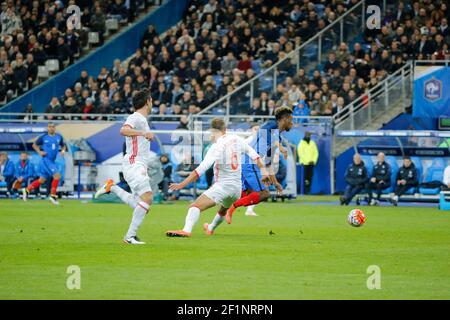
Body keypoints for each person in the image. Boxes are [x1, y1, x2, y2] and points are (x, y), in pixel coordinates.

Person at [165, 118, 269, 237]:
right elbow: (255, 156)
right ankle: (210, 228)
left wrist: (181, 184)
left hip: (223, 186)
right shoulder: (237, 139)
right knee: (223, 210)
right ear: (225, 129)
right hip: (236, 189)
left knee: (194, 206)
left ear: (212, 131)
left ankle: (186, 230)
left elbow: (201, 169)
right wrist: (264, 172)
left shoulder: (216, 147)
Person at [95, 89, 154, 245]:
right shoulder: (136, 117)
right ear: (147, 101)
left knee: (139, 204)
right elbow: (123, 130)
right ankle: (129, 237)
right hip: (134, 164)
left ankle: (112, 187)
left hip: (136, 164)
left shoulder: (142, 119)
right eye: (151, 100)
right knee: (147, 198)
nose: (152, 102)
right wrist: (143, 133)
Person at [226, 106, 293, 224]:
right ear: (284, 119)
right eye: (291, 120)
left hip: (249, 163)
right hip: (250, 162)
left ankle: (212, 224)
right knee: (264, 194)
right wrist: (280, 146)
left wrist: (275, 181)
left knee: (244, 195)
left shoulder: (277, 136)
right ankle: (231, 208)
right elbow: (264, 131)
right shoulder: (271, 125)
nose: (292, 123)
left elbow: (268, 162)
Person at [22, 123, 66, 204]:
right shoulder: (44, 137)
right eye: (50, 127)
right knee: (57, 175)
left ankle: (27, 189)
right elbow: (34, 145)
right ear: (47, 128)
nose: (51, 128)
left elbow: (63, 145)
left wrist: (63, 151)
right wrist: (39, 152)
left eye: (53, 127)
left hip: (52, 161)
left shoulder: (59, 137)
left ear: (55, 128)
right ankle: (53, 196)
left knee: (42, 180)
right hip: (46, 160)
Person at [244, 123, 260, 216]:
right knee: (258, 189)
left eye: (258, 129)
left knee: (253, 189)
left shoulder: (260, 141)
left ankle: (249, 209)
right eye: (255, 129)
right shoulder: (247, 141)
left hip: (253, 167)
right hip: (247, 167)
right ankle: (249, 209)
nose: (257, 131)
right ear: (251, 130)